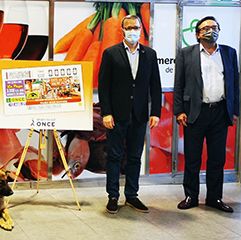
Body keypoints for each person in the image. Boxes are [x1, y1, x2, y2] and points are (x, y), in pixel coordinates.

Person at [174, 16, 239, 213]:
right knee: (193, 157)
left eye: (214, 27)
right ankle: (191, 196)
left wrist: (234, 110)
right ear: (197, 34)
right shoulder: (186, 53)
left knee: (217, 158)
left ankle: (214, 198)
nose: (211, 30)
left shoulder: (229, 52)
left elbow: (235, 84)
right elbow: (179, 85)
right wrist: (179, 111)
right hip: (196, 112)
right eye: (206, 28)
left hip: (220, 112)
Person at [98, 15, 162, 214]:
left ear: (141, 29)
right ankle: (113, 196)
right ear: (122, 30)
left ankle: (132, 195)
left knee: (135, 157)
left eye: (136, 27)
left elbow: (155, 86)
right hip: (116, 115)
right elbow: (104, 85)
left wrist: (156, 113)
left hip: (140, 114)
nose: (132, 30)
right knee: (115, 156)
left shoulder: (150, 54)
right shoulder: (110, 53)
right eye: (129, 27)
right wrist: (106, 112)